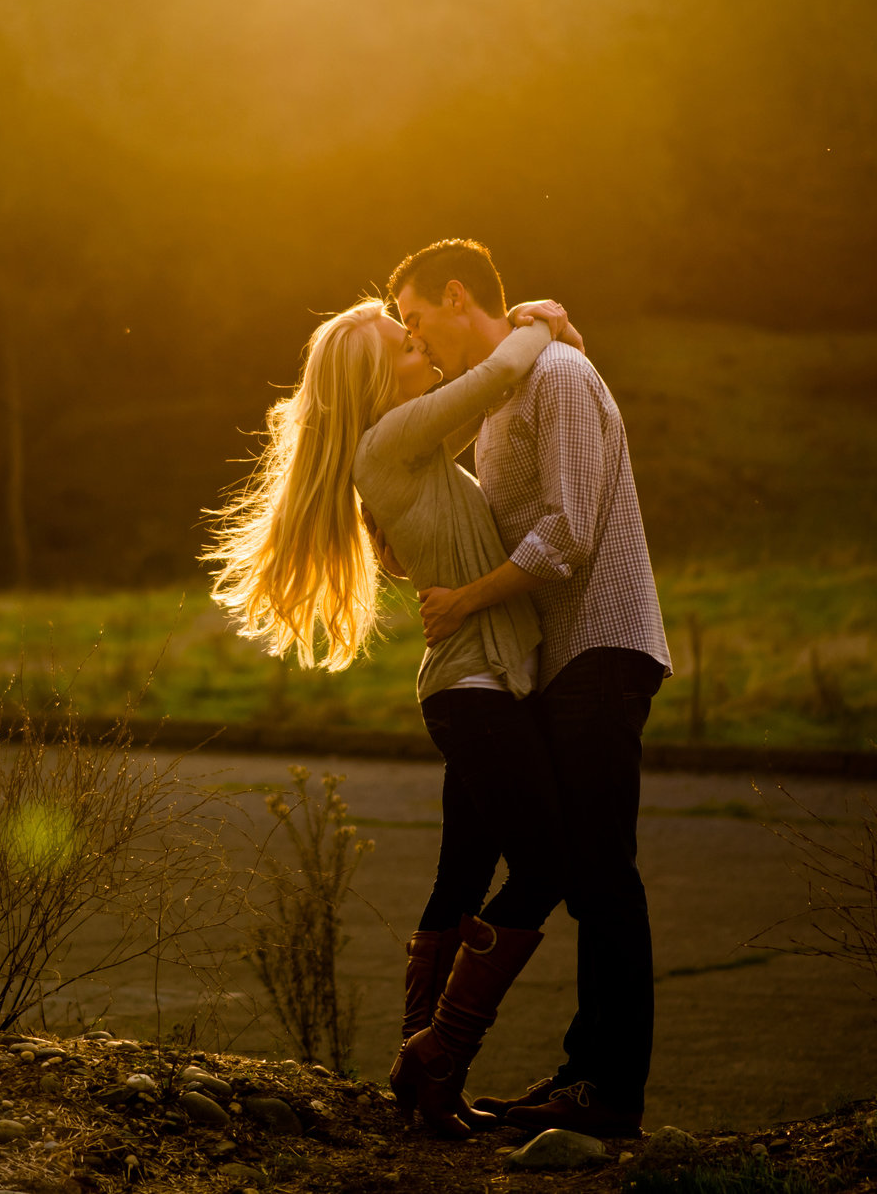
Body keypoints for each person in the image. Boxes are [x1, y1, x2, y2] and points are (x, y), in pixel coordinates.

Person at [205, 291, 584, 1138]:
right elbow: (499, 374)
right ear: (377, 386)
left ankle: (425, 1087)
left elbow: (485, 397)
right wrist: (538, 322)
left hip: (473, 691)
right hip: (477, 693)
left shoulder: (402, 449)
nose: (422, 349)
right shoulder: (392, 443)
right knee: (548, 863)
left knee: (460, 879)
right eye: (405, 349)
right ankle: (440, 1049)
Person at [390, 237, 673, 1141]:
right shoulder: (506, 392)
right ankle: (558, 1072)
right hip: (550, 662)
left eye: (415, 316)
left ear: (457, 293)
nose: (414, 335)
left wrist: (466, 600)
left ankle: (609, 1092)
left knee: (602, 879)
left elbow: (568, 532)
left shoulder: (554, 375)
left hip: (601, 646)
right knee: (578, 871)